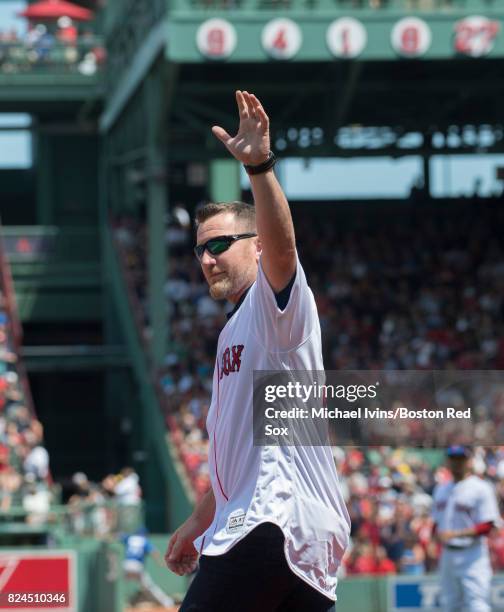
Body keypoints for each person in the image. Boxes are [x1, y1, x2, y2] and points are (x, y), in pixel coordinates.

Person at [165, 90, 350, 611]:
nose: (207, 258)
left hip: (270, 522)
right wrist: (198, 521)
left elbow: (286, 249)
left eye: (221, 244)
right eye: (201, 248)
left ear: (258, 245)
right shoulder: (235, 331)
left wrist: (261, 168)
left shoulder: (274, 308)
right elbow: (245, 460)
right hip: (297, 537)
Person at [432, 445, 501, 612]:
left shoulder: (481, 488)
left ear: (469, 461)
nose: (456, 463)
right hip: (448, 554)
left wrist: (456, 534)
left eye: (460, 459)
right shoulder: (440, 489)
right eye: (453, 459)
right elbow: (437, 522)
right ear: (447, 461)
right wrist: (434, 537)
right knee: (449, 605)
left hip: (473, 554)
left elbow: (488, 525)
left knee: (476, 604)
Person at [122, 527, 174, 608]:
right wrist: (160, 562)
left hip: (126, 564)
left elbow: (118, 537)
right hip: (137, 566)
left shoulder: (130, 538)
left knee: (120, 585)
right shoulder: (144, 541)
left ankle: (121, 603)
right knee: (149, 586)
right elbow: (154, 552)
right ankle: (167, 602)